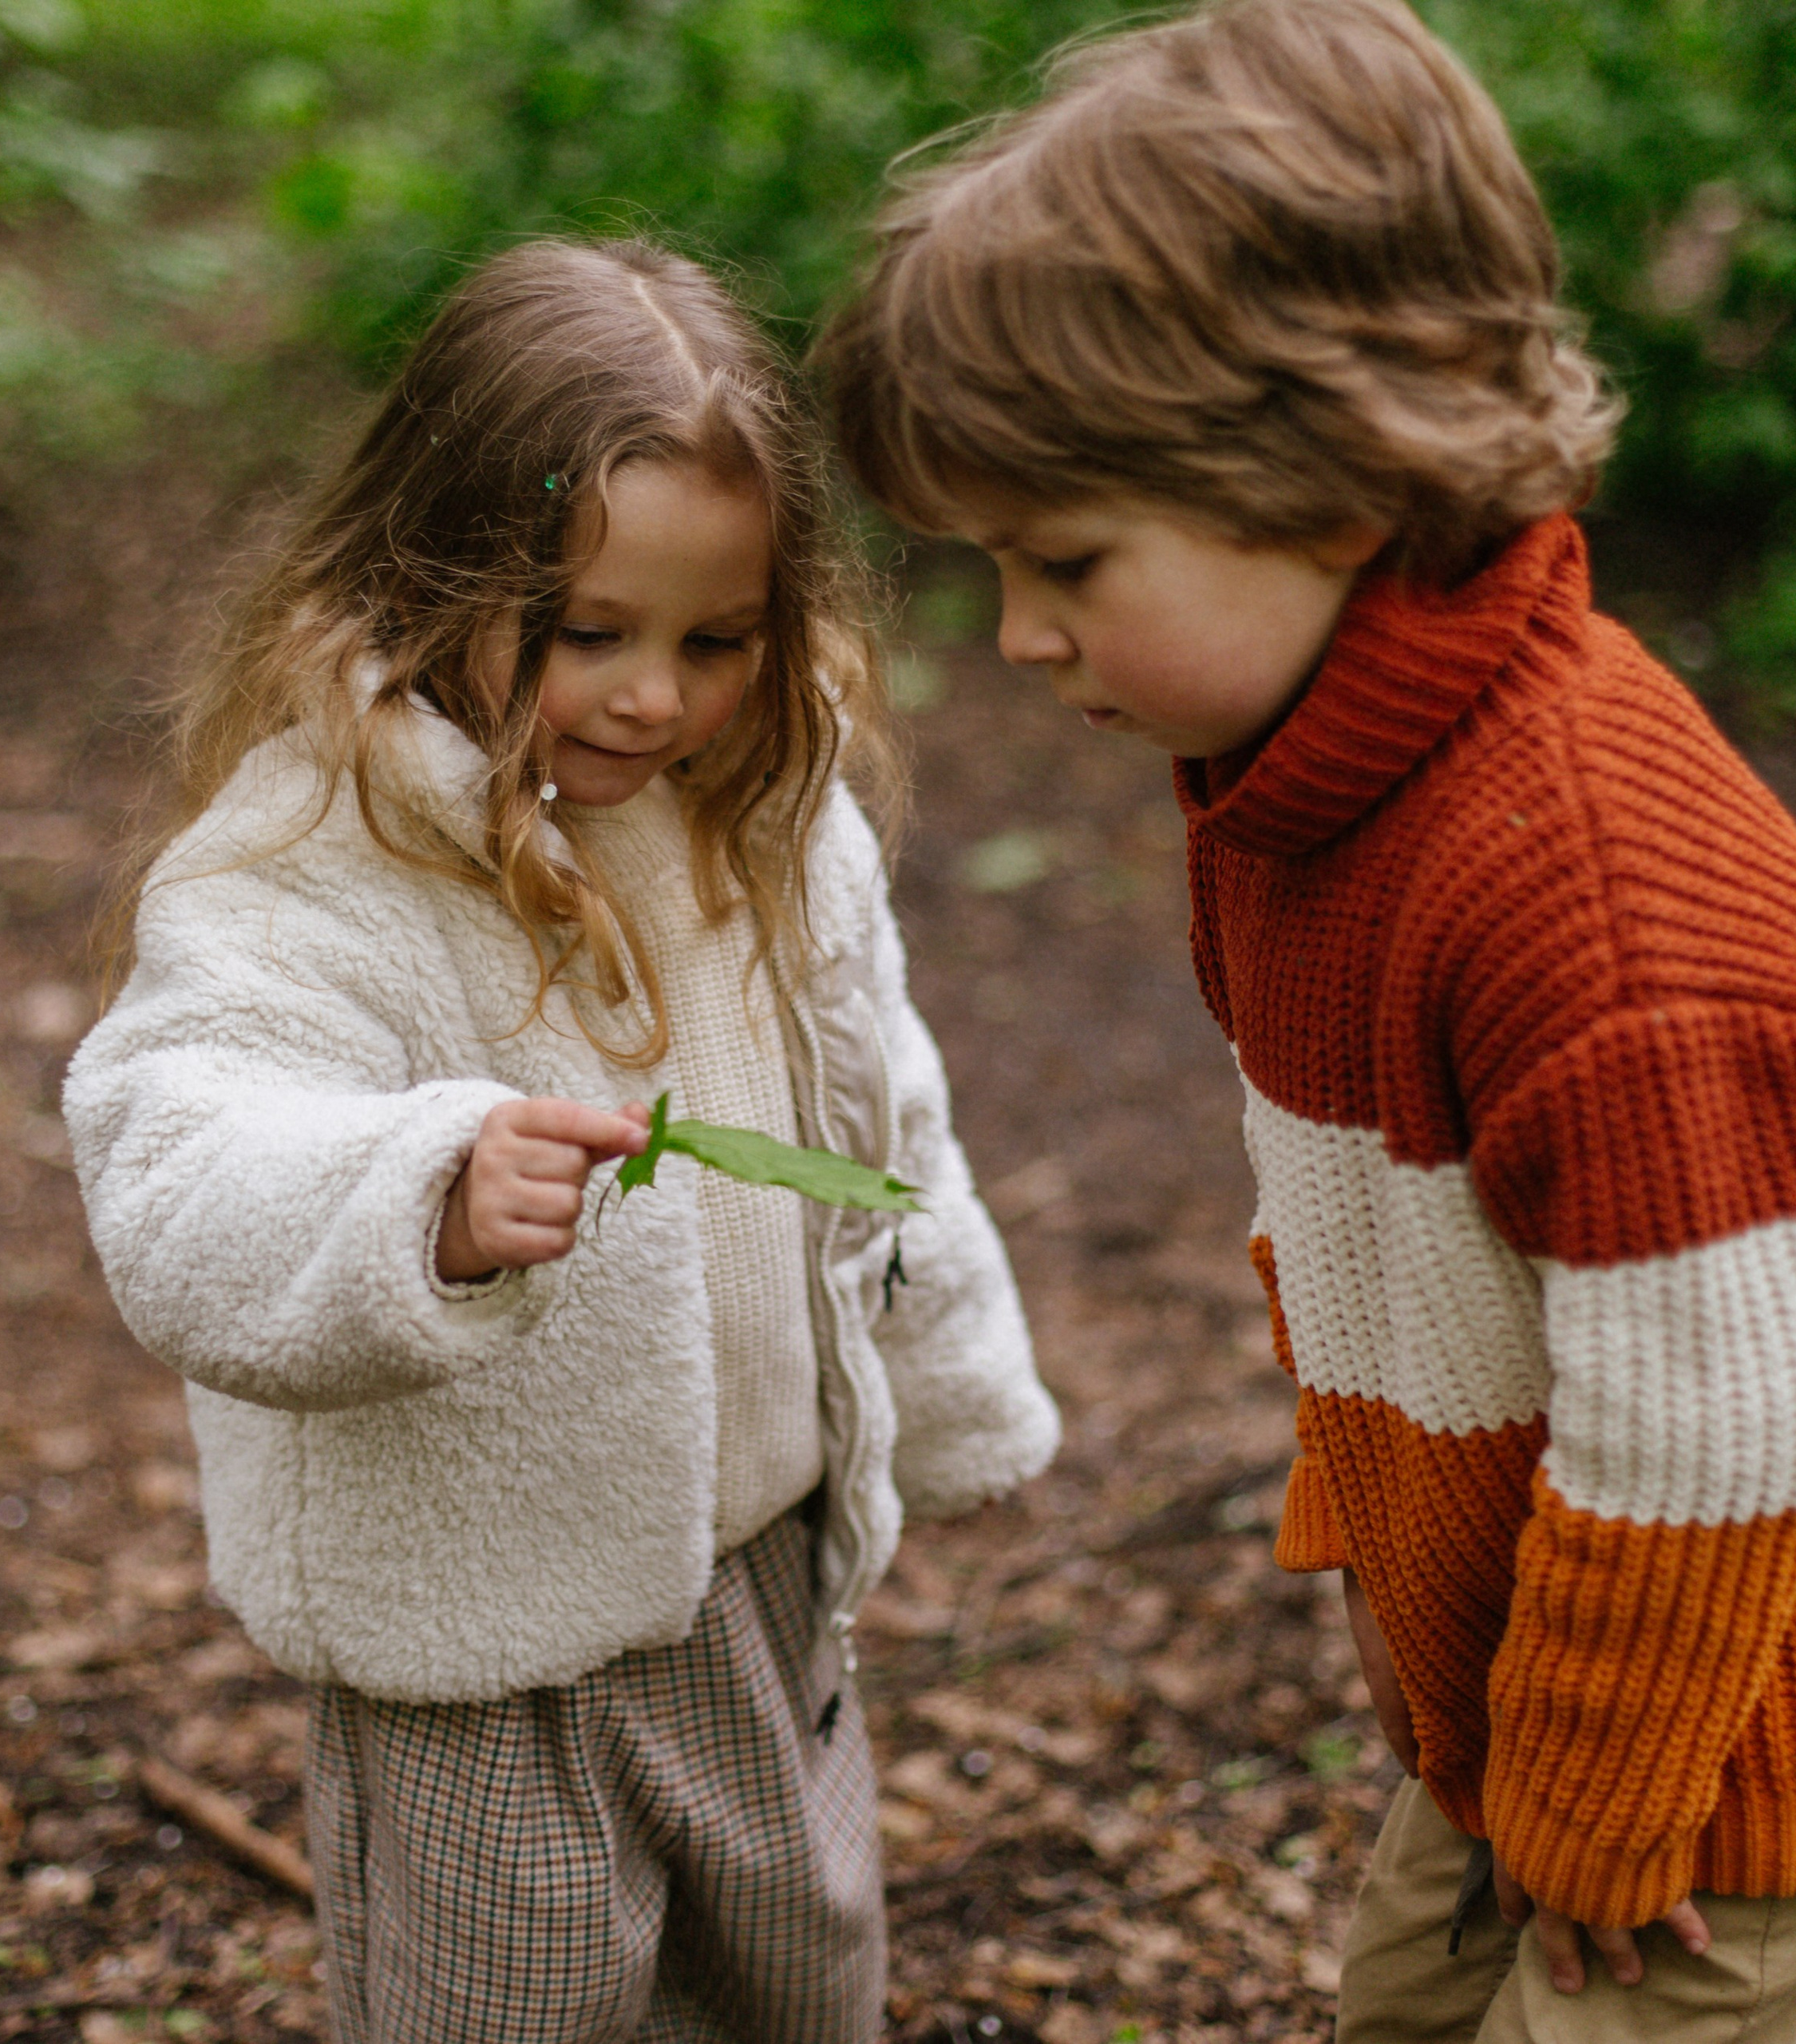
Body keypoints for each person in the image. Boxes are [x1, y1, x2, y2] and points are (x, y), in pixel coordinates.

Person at [814, 1, 1796, 2036]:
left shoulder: (1591, 902)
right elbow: (1359, 1235)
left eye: (1064, 557)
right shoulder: (1294, 801)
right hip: (1528, 1688)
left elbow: (1710, 1431)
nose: (1016, 635)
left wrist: (1596, 1807)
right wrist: (1367, 1527)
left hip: (1715, 1782)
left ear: (1335, 483)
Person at [65, 236, 1058, 2044]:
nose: (649, 697)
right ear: (430, 572)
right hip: (475, 1645)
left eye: (711, 638)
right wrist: (417, 1193)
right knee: (512, 2007)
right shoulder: (324, 849)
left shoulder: (769, 813)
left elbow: (874, 1104)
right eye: (586, 630)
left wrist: (956, 1377)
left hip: (760, 1568)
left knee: (791, 1986)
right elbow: (175, 1138)